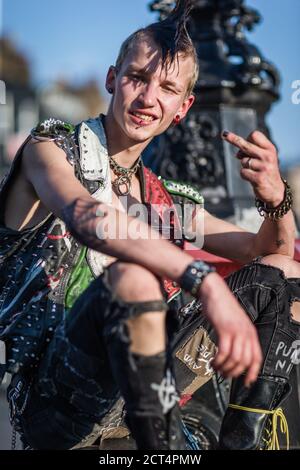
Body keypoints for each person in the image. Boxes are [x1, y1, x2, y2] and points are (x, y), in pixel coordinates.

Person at [0, 0, 299, 450]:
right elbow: (91, 218)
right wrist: (206, 283)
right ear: (111, 79)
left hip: (145, 387)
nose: (148, 98)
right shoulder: (52, 150)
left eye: (167, 88)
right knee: (134, 279)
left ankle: (242, 439)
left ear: (183, 107)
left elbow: (265, 248)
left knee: (285, 274)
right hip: (58, 399)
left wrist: (277, 199)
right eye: (137, 77)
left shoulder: (166, 203)